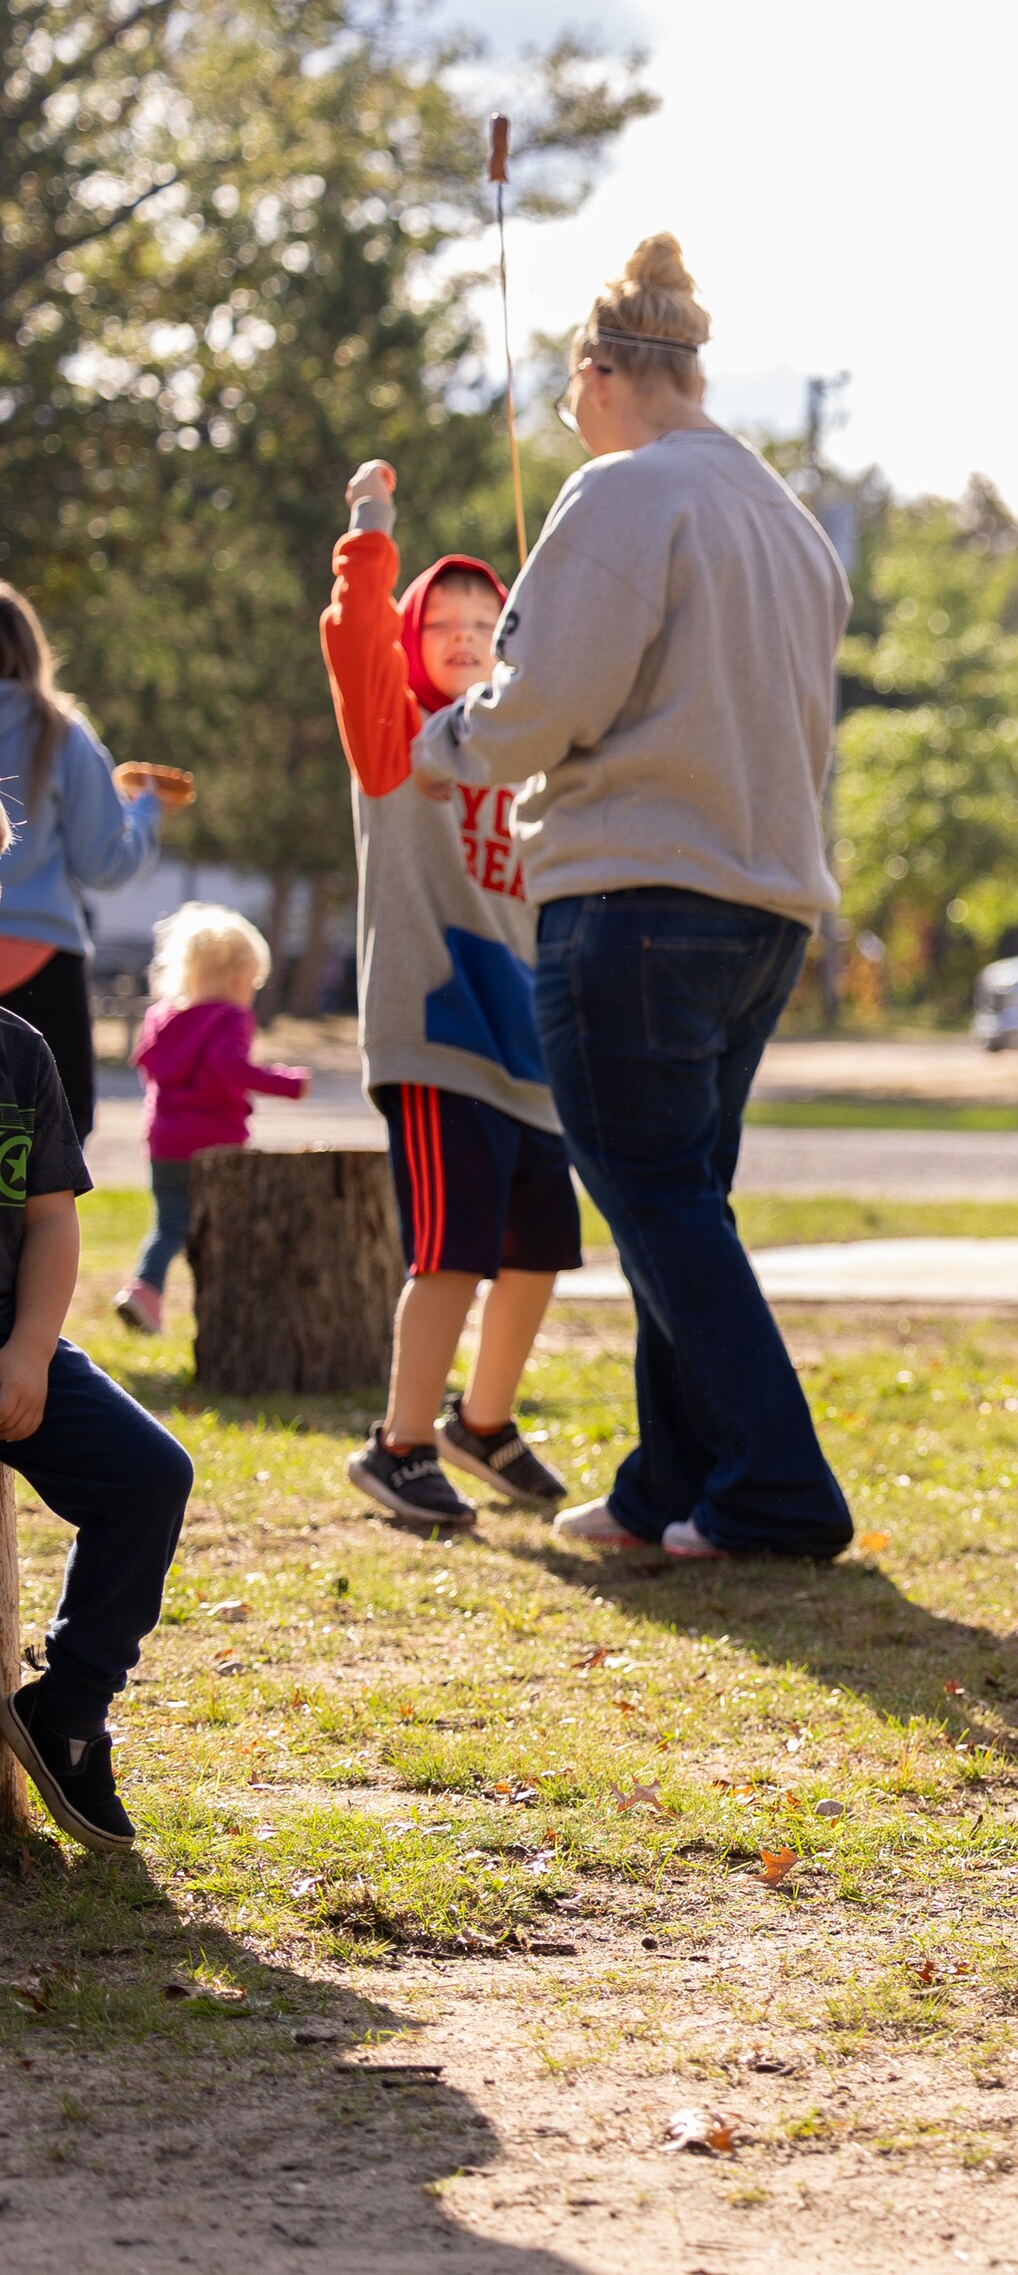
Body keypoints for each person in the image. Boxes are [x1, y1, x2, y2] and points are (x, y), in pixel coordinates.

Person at [406, 234, 854, 1562]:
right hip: (765, 903)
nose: (565, 419)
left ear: (601, 374)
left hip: (634, 897)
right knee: (680, 1198)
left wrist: (446, 748)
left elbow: (546, 701)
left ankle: (779, 1489)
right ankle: (670, 1483)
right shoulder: (787, 518)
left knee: (655, 1198)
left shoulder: (622, 493)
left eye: (565, 393)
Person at [319, 468, 586, 1529]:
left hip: (527, 1049)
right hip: (436, 1035)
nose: (470, 634)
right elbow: (353, 640)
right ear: (409, 635)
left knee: (538, 1252)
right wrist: (370, 532)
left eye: (489, 620)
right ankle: (400, 1443)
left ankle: (482, 1422)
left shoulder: (514, 757)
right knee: (453, 1251)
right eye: (446, 618)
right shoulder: (396, 747)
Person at [0, 989, 193, 1852]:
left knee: (150, 1476)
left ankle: (67, 1712)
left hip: (10, 1338)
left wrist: (31, 1349)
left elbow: (50, 1218)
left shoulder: (19, 1051)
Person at [0, 585, 190, 1139]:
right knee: (52, 1141)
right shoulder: (59, 733)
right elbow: (105, 864)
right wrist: (146, 810)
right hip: (43, 958)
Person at [113, 905, 307, 1335]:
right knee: (223, 1231)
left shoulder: (163, 1018)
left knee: (170, 1224)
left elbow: (151, 1068)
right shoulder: (231, 1017)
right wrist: (287, 1083)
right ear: (241, 979)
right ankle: (218, 1306)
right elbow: (229, 1067)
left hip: (163, 1142)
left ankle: (146, 1288)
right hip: (215, 1143)